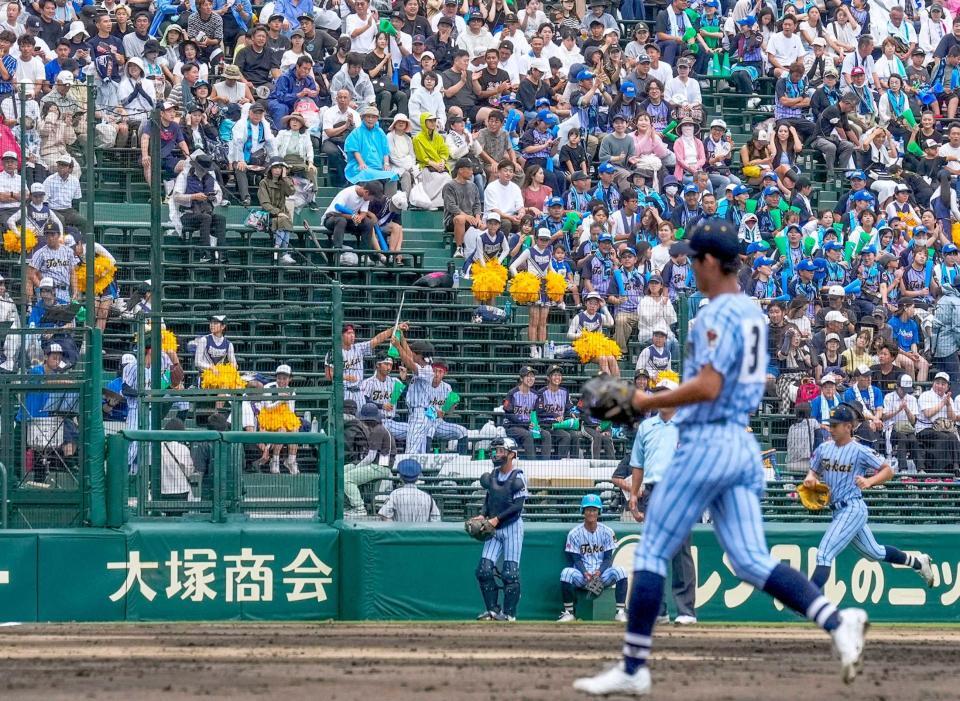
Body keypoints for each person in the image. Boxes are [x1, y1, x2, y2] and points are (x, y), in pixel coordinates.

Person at [574, 219, 869, 697]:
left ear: (711, 261)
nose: (689, 266)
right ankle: (837, 623)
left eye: (693, 258)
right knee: (751, 560)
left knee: (651, 549)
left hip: (708, 442)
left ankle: (633, 666)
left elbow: (709, 387)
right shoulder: (753, 312)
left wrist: (645, 402)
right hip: (740, 444)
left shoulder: (715, 314)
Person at [804, 402, 935, 591]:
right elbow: (814, 471)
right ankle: (918, 563)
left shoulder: (859, 450)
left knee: (824, 554)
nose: (830, 428)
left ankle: (805, 601)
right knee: (875, 552)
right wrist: (810, 478)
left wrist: (870, 481)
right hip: (836, 510)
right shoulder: (824, 448)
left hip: (852, 507)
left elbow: (888, 470)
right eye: (830, 424)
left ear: (848, 427)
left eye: (835, 425)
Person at [626, 377, 697, 626]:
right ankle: (660, 611)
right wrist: (634, 495)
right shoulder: (646, 427)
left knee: (680, 553)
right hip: (653, 491)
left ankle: (686, 611)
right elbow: (638, 464)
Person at [475, 436, 528, 622]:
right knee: (483, 570)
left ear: (512, 454)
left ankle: (510, 614)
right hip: (493, 527)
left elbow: (517, 507)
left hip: (511, 527)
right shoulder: (494, 474)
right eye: (496, 450)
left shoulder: (518, 475)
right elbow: (489, 499)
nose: (497, 454)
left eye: (501, 451)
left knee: (510, 573)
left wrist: (496, 519)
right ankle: (492, 610)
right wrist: (483, 515)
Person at [557, 494, 628, 623]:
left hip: (602, 574)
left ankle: (620, 612)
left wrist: (599, 572)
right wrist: (585, 573)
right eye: (588, 509)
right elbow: (576, 559)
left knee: (621, 571)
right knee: (566, 573)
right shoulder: (574, 533)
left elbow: (607, 559)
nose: (591, 513)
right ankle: (569, 613)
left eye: (594, 510)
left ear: (599, 512)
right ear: (583, 511)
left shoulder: (607, 532)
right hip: (582, 575)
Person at [325, 322, 403, 408]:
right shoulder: (333, 353)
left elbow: (377, 339)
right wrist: (345, 377)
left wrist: (393, 329)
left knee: (361, 419)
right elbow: (329, 376)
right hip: (343, 392)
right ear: (341, 336)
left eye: (353, 333)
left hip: (359, 393)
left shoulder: (359, 348)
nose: (352, 336)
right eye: (348, 333)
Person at [343, 402, 397, 517]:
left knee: (347, 478)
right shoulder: (378, 429)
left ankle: (359, 508)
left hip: (381, 467)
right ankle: (347, 505)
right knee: (342, 471)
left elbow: (370, 457)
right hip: (374, 465)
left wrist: (357, 467)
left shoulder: (378, 430)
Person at [915, 372, 960, 473]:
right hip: (924, 429)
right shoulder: (925, 395)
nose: (940, 386)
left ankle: (956, 466)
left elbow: (952, 418)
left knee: (953, 437)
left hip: (943, 429)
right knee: (944, 437)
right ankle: (940, 470)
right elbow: (928, 413)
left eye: (943, 384)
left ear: (947, 387)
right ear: (933, 383)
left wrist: (948, 405)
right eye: (937, 383)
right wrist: (943, 403)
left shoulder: (949, 399)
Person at [322, 179, 381, 249]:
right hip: (332, 218)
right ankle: (337, 249)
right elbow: (335, 213)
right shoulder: (348, 192)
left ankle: (364, 252)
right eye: (371, 198)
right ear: (366, 192)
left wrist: (360, 217)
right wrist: (352, 216)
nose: (371, 200)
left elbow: (364, 212)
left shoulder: (366, 197)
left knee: (368, 223)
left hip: (350, 220)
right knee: (341, 220)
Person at [378, 458, 441, 522]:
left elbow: (384, 514)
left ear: (400, 478)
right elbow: (436, 520)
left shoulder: (395, 495)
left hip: (401, 531)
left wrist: (394, 530)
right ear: (417, 478)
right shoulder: (427, 497)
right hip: (422, 531)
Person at [882, 374, 922, 472]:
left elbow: (913, 421)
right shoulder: (888, 397)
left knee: (914, 440)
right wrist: (898, 410)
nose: (904, 392)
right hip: (892, 429)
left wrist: (906, 409)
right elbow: (884, 417)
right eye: (903, 390)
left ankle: (920, 469)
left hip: (907, 429)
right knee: (902, 438)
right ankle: (903, 469)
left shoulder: (912, 399)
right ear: (897, 387)